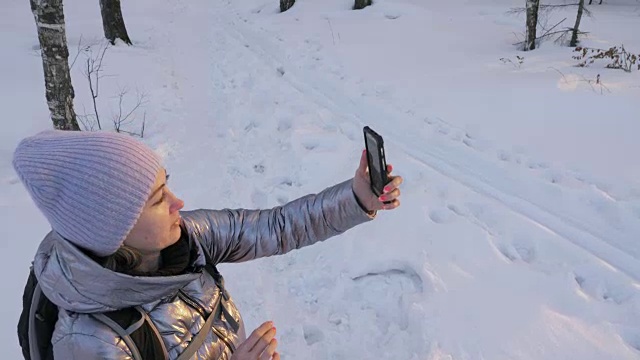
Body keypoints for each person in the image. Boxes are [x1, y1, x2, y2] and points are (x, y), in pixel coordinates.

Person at [13, 129, 403, 359]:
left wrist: (355, 200)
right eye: (157, 199)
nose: (177, 203)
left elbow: (276, 227)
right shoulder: (90, 339)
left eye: (167, 184)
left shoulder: (186, 239)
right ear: (113, 231)